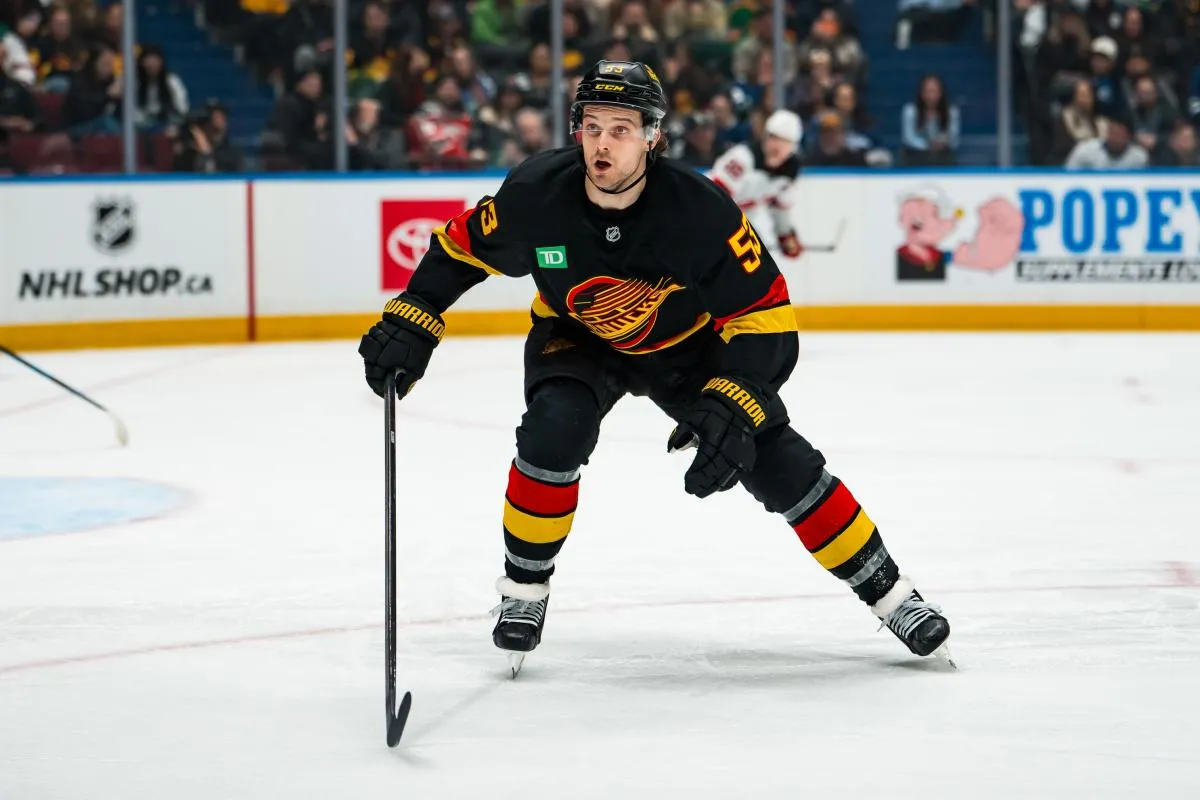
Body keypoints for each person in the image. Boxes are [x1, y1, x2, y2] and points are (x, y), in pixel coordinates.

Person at [358, 60, 953, 675]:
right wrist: (415, 311)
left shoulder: (701, 210)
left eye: (621, 128)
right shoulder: (536, 194)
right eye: (591, 127)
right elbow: (460, 248)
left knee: (778, 460)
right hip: (577, 337)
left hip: (689, 349)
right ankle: (524, 594)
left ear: (652, 136)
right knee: (552, 433)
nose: (603, 143)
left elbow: (768, 317)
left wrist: (735, 398)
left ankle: (892, 594)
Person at [707, 109, 805, 259]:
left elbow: (780, 209)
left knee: (757, 262)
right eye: (773, 137)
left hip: (736, 222)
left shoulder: (788, 172)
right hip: (708, 219)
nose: (777, 145)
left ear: (793, 147)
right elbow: (712, 199)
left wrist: (786, 236)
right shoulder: (742, 158)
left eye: (785, 141)